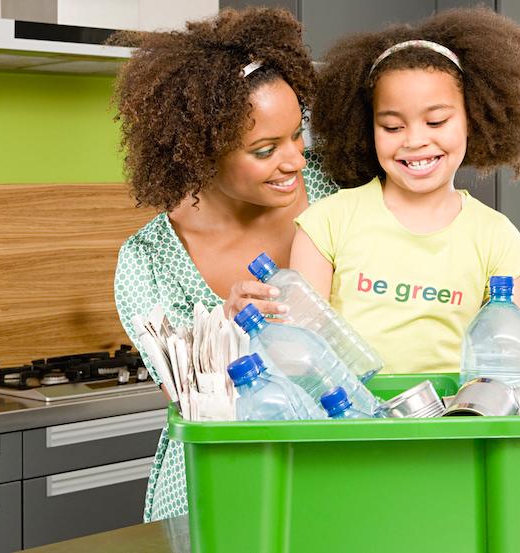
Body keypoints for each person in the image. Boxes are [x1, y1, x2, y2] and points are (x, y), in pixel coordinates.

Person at [288, 8, 520, 550]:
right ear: (368, 128)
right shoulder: (327, 222)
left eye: (436, 120)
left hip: (458, 431)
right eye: (392, 125)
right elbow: (299, 348)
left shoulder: (495, 236)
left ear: (474, 118)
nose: (415, 142)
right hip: (356, 432)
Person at [113, 7, 334, 522]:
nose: (295, 160)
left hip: (338, 462)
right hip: (220, 484)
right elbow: (184, 397)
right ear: (200, 154)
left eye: (297, 134)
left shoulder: (334, 192)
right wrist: (227, 332)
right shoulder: (147, 261)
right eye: (265, 149)